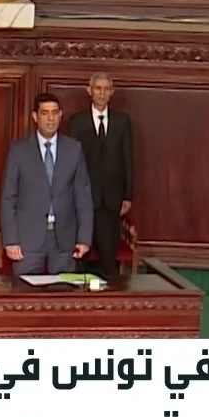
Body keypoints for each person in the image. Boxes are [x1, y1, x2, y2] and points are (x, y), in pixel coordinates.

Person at [0, 92, 92, 276]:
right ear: (35, 116)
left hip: (64, 239)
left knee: (63, 291)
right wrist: (11, 240)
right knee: (25, 291)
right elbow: (8, 198)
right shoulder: (19, 151)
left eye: (55, 113)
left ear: (60, 115)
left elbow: (83, 196)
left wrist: (84, 238)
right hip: (28, 239)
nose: (51, 118)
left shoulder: (74, 149)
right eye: (45, 113)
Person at [64, 73, 134, 279]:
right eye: (98, 88)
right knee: (81, 258)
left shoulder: (122, 122)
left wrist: (128, 196)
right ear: (89, 91)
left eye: (106, 89)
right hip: (83, 198)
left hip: (111, 201)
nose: (102, 93)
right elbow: (71, 161)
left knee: (107, 260)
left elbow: (128, 159)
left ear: (111, 92)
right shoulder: (77, 122)